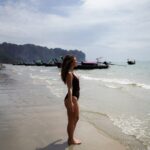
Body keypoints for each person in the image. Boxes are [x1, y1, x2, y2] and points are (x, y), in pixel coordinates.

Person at [61, 55, 81, 145]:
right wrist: (70, 102)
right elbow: (70, 89)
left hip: (73, 98)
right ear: (71, 62)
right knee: (72, 120)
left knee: (76, 118)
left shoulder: (72, 72)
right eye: (75, 60)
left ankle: (71, 137)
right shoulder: (69, 73)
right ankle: (71, 140)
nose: (77, 61)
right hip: (71, 99)